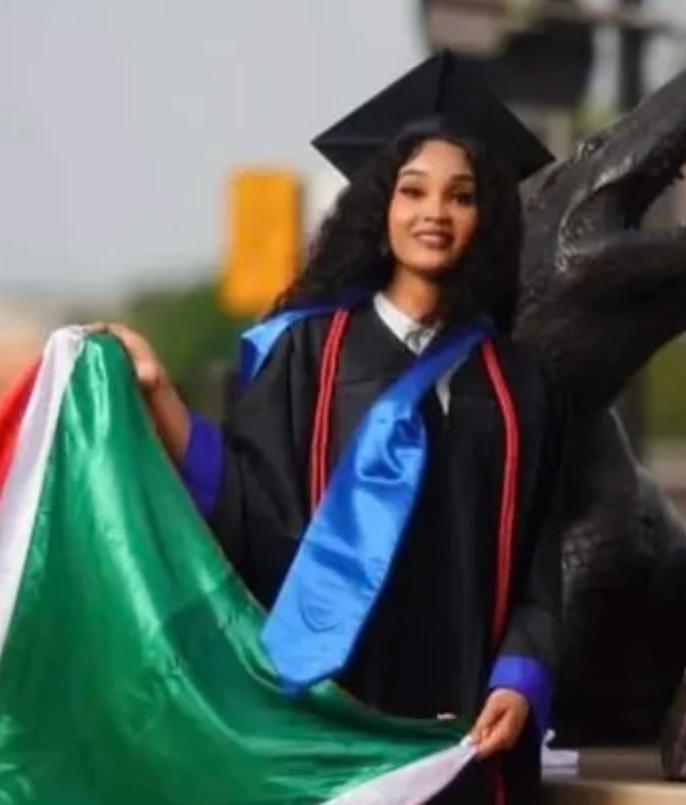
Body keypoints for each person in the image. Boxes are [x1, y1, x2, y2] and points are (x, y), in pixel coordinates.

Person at [98, 53, 570, 804]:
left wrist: (519, 678)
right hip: (334, 714)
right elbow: (250, 510)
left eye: (461, 196)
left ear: (486, 220)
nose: (434, 213)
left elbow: (539, 560)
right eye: (412, 190)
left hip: (462, 725)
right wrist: (157, 394)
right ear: (380, 206)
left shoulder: (519, 384)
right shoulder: (304, 356)